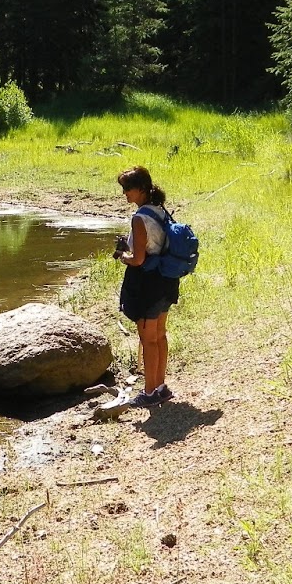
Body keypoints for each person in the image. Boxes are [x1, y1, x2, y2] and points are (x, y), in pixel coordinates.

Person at [114, 165, 178, 408]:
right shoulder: (160, 210)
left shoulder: (139, 218)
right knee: (159, 335)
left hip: (147, 285)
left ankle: (150, 392)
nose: (125, 193)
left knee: (148, 339)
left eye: (127, 188)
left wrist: (123, 256)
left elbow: (138, 259)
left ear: (141, 189)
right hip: (166, 280)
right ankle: (160, 387)